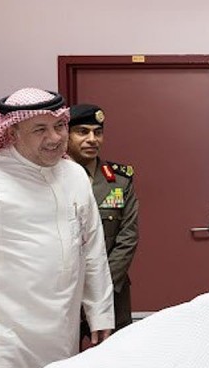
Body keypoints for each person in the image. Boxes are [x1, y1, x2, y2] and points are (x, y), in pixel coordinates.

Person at [0, 88, 114, 368]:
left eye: (59, 126)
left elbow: (92, 251)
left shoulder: (74, 175)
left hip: (61, 339)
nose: (55, 138)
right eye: (39, 129)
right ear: (12, 132)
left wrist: (100, 313)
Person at [67, 104, 139, 350]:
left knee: (113, 357)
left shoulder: (119, 180)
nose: (92, 139)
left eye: (97, 132)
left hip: (112, 291)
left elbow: (128, 237)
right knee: (62, 360)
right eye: (82, 132)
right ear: (66, 135)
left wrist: (101, 286)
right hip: (65, 292)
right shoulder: (53, 178)